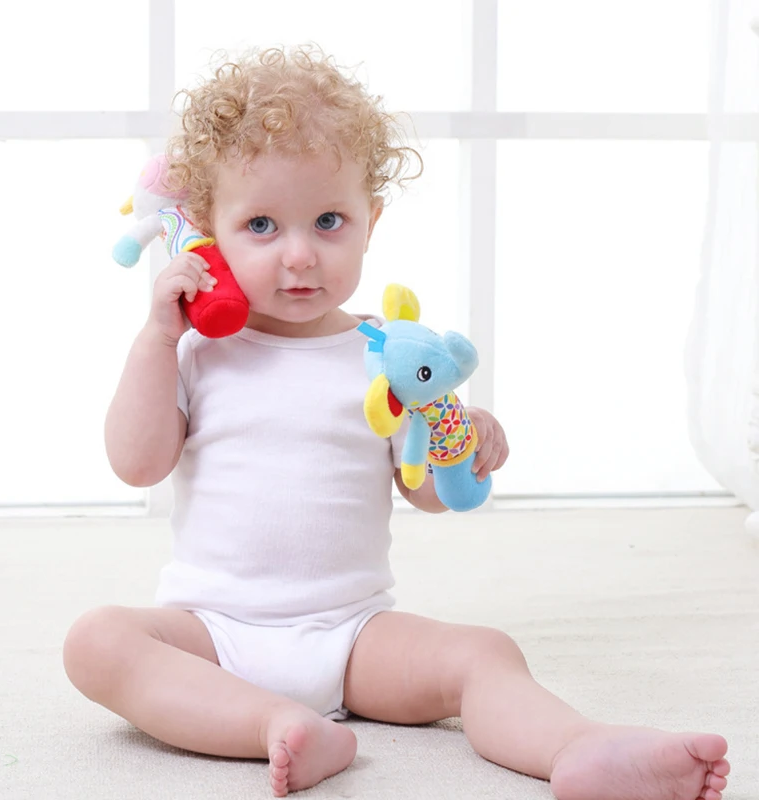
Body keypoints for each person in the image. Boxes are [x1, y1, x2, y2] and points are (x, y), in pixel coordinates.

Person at [63, 45, 730, 800]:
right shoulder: (194, 351)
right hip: (211, 633)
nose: (300, 255)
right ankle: (270, 724)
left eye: (328, 221)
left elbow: (429, 493)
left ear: (370, 222)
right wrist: (156, 338)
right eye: (261, 225)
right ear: (207, 231)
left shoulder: (387, 356)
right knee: (97, 641)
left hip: (354, 638)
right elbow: (137, 462)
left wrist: (465, 444)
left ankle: (578, 747)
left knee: (483, 653)